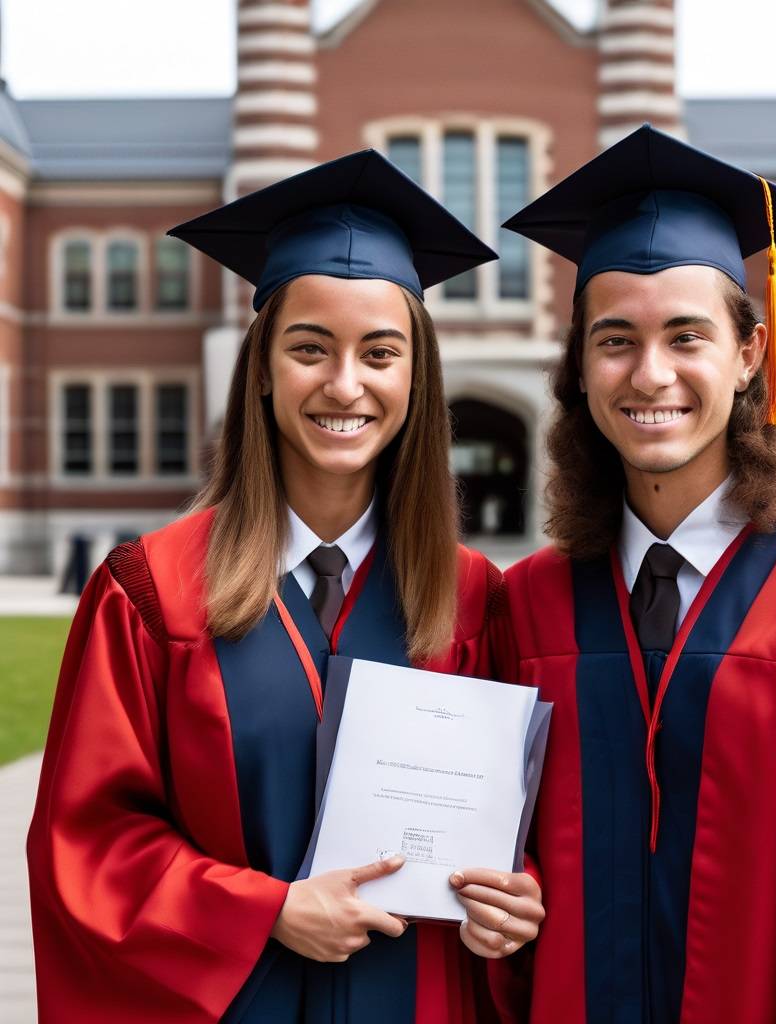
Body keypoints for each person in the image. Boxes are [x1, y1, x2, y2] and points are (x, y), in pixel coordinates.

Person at [27, 149, 544, 1024]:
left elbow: (520, 832)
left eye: (380, 353)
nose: (345, 385)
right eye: (311, 349)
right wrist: (262, 910)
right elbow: (88, 842)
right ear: (261, 368)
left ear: (415, 379)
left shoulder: (473, 598)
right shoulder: (148, 592)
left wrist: (514, 902)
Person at [489, 125, 776, 1023]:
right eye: (616, 340)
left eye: (687, 336)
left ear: (749, 356)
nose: (651, 373)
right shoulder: (527, 608)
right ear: (581, 369)